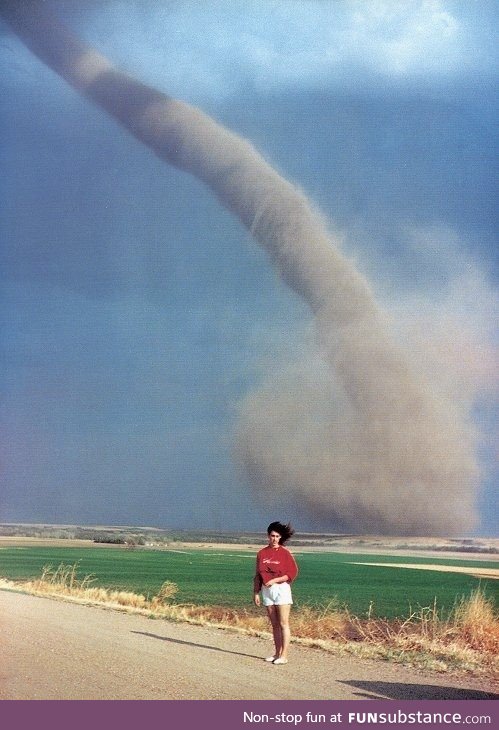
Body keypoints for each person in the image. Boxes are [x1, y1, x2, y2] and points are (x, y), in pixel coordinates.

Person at [253, 521, 298, 665]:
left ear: (280, 537)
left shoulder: (285, 553)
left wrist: (275, 580)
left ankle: (284, 655)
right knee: (274, 624)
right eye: (272, 536)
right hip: (267, 591)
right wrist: (256, 592)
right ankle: (277, 653)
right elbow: (258, 574)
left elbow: (292, 573)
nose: (274, 539)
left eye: (277, 536)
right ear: (268, 536)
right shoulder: (262, 553)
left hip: (281, 589)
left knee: (284, 622)